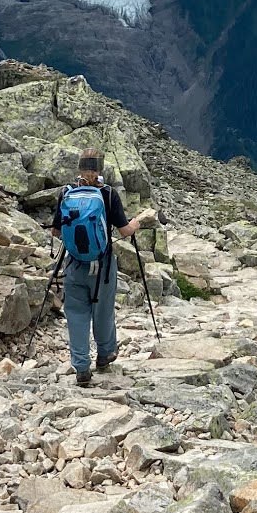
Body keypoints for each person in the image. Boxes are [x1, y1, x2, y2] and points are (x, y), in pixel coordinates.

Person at [54, 152, 154, 386]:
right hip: (102, 265)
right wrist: (137, 223)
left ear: (79, 168)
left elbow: (56, 231)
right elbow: (124, 231)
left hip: (74, 264)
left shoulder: (66, 193)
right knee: (103, 310)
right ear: (100, 170)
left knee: (76, 314)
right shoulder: (108, 194)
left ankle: (81, 368)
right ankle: (105, 354)